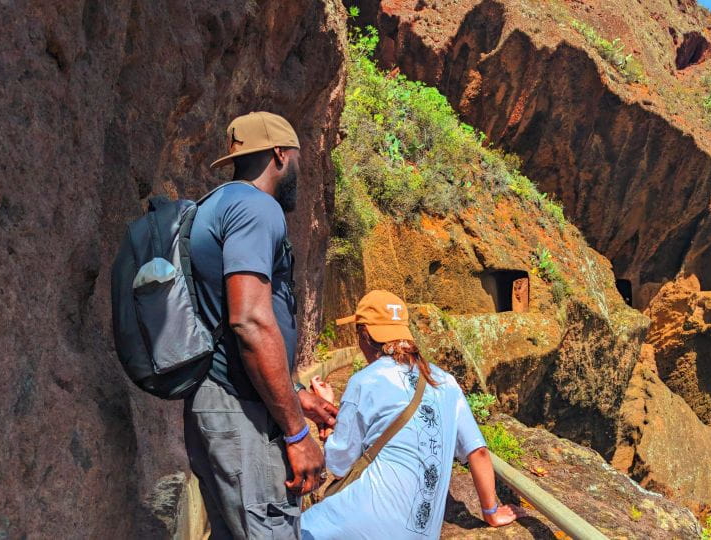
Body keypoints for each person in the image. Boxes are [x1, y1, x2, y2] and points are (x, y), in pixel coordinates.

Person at [184, 111, 338, 539]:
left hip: (221, 400)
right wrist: (295, 433)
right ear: (280, 155)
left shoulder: (217, 204)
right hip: (240, 414)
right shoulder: (257, 208)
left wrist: (295, 397)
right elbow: (249, 321)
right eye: (298, 160)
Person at [301, 290, 518, 539]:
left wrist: (326, 415)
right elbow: (478, 452)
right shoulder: (444, 381)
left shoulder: (364, 381)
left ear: (363, 335)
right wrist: (491, 511)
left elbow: (340, 465)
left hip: (361, 520)